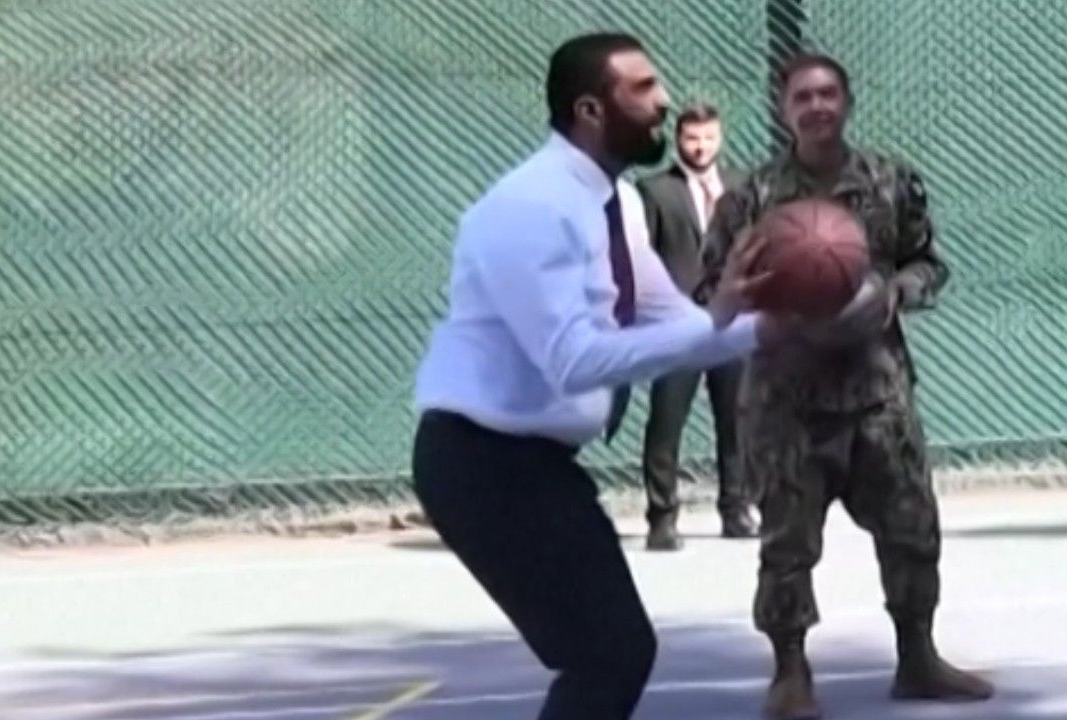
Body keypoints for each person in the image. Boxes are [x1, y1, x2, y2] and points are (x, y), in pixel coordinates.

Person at [411, 33, 781, 720]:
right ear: (589, 110)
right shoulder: (530, 207)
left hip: (532, 465)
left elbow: (676, 321)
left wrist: (787, 327)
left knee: (613, 652)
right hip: (481, 463)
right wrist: (723, 320)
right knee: (610, 652)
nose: (664, 101)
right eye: (642, 88)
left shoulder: (619, 203)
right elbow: (574, 361)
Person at [698, 52, 995, 719]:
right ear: (783, 110)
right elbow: (708, 289)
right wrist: (764, 307)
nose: (817, 106)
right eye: (802, 96)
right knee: (787, 543)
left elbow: (928, 263)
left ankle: (918, 657)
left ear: (848, 101)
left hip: (877, 394)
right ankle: (790, 672)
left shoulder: (892, 182)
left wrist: (895, 291)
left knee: (913, 529)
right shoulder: (750, 198)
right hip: (785, 399)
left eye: (828, 94)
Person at [636, 103, 756, 550]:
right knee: (667, 421)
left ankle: (736, 509)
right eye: (692, 138)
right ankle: (662, 517)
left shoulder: (743, 187)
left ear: (720, 138)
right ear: (678, 140)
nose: (701, 147)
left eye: (708, 137)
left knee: (736, 419)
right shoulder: (655, 190)